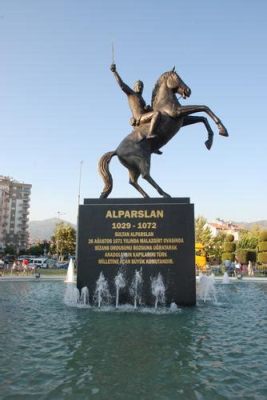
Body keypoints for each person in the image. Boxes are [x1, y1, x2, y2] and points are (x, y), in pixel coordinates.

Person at [110, 64, 162, 151]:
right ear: (134, 87)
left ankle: (152, 145)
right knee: (156, 114)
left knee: (159, 123)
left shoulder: (142, 98)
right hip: (139, 118)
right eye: (138, 85)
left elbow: (143, 109)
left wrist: (147, 109)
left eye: (142, 86)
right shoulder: (131, 94)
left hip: (143, 116)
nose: (140, 87)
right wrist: (115, 72)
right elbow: (122, 85)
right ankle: (150, 134)